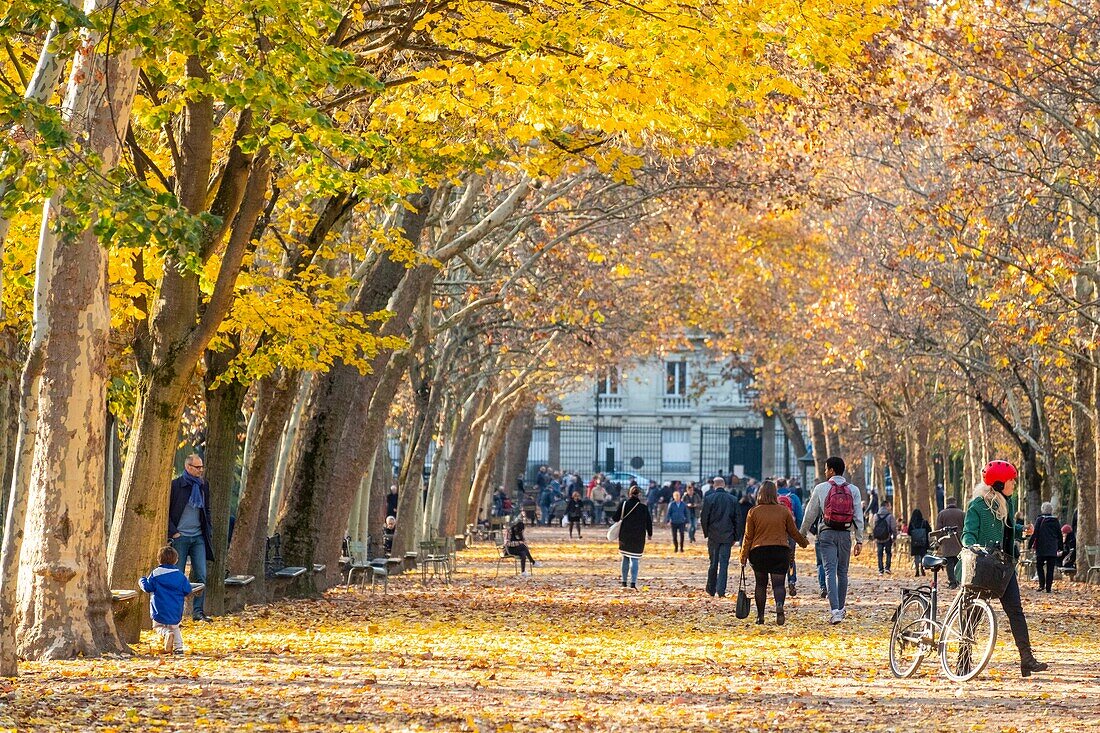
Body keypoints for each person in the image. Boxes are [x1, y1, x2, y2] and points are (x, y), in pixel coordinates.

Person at [962, 460, 1047, 676]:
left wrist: (1022, 531)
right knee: (973, 614)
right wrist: (972, 546)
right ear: (999, 484)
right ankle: (963, 660)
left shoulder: (1006, 504)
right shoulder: (977, 505)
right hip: (981, 565)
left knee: (1015, 611)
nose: (1014, 485)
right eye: (1011, 481)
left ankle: (1026, 659)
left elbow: (1007, 529)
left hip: (1003, 566)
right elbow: (968, 532)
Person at [799, 456, 864, 624]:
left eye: (826, 469)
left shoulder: (821, 488)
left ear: (832, 470)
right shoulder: (854, 490)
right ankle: (841, 609)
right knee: (842, 572)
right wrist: (859, 540)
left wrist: (802, 533)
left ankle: (834, 610)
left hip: (826, 534)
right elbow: (858, 517)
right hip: (845, 535)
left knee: (829, 571)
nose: (824, 472)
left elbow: (810, 513)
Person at [740, 481, 809, 625]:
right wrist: (803, 543)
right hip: (780, 550)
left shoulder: (753, 511)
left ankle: (760, 616)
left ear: (760, 494)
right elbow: (793, 532)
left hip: (759, 552)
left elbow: (748, 537)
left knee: (760, 585)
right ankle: (779, 605)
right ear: (775, 494)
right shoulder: (784, 511)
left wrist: (743, 556)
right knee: (778, 584)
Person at [168, 453, 214, 622]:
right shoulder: (176, 485)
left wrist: (207, 529)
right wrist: (174, 532)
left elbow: (206, 510)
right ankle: (176, 613)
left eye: (202, 467)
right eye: (197, 467)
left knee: (201, 575)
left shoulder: (203, 485)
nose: (200, 470)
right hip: (180, 537)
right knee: (178, 576)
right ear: (188, 467)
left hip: (198, 538)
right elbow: (167, 511)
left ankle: (198, 612)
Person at [140, 545, 196, 654]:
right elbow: (187, 589)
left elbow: (148, 587)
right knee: (175, 627)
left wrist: (142, 580)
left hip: (159, 607)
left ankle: (166, 633)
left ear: (159, 559)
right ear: (176, 560)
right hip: (175, 607)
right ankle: (179, 648)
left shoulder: (156, 573)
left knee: (157, 626)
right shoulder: (180, 575)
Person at [700, 476, 738, 598]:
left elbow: (704, 518)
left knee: (713, 563)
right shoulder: (732, 499)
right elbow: (738, 519)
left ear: (714, 485)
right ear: (724, 485)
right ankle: (721, 590)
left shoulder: (709, 498)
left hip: (713, 535)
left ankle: (711, 588)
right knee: (724, 564)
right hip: (727, 536)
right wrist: (736, 537)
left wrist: (707, 533)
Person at [612, 486, 652, 589]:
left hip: (625, 535)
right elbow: (649, 522)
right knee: (635, 559)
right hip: (638, 536)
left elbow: (615, 518)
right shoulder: (644, 508)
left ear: (629, 494)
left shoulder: (624, 504)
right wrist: (650, 534)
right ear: (639, 495)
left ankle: (624, 582)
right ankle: (633, 583)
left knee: (625, 557)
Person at [777, 478, 804, 596]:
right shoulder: (794, 497)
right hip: (790, 532)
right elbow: (799, 516)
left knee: (778, 556)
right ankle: (792, 579)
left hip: (777, 532)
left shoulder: (772, 497)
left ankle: (778, 582)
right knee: (791, 557)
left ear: (776, 486)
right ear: (786, 485)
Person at [1029, 502, 1062, 593]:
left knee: (1039, 566)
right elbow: (1059, 535)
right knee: (1050, 569)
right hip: (1052, 548)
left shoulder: (1039, 520)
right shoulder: (1055, 521)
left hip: (1041, 548)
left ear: (1043, 510)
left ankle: (1041, 585)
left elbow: (1035, 534)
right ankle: (1048, 588)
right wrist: (1060, 547)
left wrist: (1029, 544)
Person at [936, 496, 966, 588]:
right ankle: (958, 580)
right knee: (958, 562)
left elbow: (938, 529)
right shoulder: (962, 513)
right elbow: (966, 527)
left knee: (949, 563)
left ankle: (952, 582)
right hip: (959, 541)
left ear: (947, 503)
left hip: (947, 541)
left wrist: (939, 540)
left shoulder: (941, 514)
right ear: (955, 502)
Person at [872, 501, 898, 575]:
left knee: (879, 554)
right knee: (888, 553)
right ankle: (887, 568)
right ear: (886, 506)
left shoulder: (876, 516)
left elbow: (874, 527)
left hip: (878, 538)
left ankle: (880, 570)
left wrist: (874, 536)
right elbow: (893, 527)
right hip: (887, 537)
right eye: (889, 505)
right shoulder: (890, 516)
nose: (890, 507)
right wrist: (894, 536)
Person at [907, 509, 931, 577]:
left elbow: (908, 532)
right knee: (923, 555)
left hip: (915, 542)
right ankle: (922, 568)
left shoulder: (912, 523)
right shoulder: (924, 522)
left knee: (916, 557)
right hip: (923, 542)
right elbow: (929, 530)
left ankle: (917, 570)